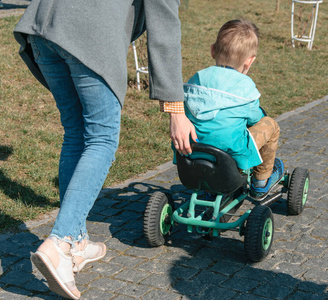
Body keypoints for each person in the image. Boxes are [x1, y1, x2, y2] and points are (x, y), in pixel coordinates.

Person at [13, 1, 196, 299]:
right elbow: (164, 26)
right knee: (101, 139)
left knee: (76, 134)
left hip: (45, 25)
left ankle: (78, 242)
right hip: (86, 33)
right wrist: (176, 109)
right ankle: (61, 243)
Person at [183, 19, 284, 200]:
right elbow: (254, 119)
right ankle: (261, 181)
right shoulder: (245, 88)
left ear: (213, 49)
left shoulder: (195, 80)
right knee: (269, 124)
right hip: (230, 159)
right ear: (249, 62)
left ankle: (208, 183)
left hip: (193, 154)